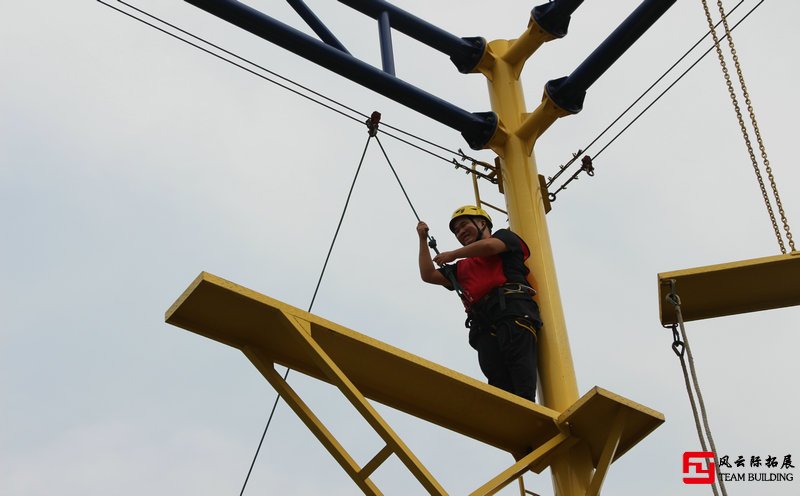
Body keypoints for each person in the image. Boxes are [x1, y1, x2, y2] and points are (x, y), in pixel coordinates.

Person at [416, 205, 542, 402]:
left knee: (521, 377)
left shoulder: (505, 238)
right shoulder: (462, 268)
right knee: (498, 383)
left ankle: (527, 411)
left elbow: (491, 247)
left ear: (482, 223)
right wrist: (423, 240)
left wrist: (453, 254)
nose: (460, 232)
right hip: (485, 325)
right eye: (456, 230)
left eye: (464, 224)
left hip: (512, 315)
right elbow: (428, 274)